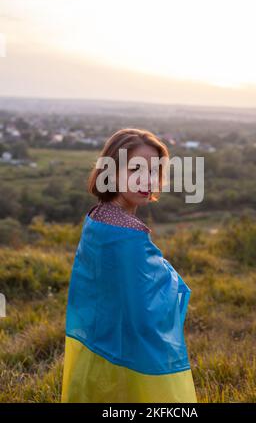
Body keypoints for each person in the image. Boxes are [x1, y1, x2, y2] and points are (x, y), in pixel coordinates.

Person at [61, 128, 197, 403]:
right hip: (124, 360)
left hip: (96, 348)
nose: (146, 180)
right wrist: (172, 279)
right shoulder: (125, 230)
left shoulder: (98, 216)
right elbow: (145, 302)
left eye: (154, 171)